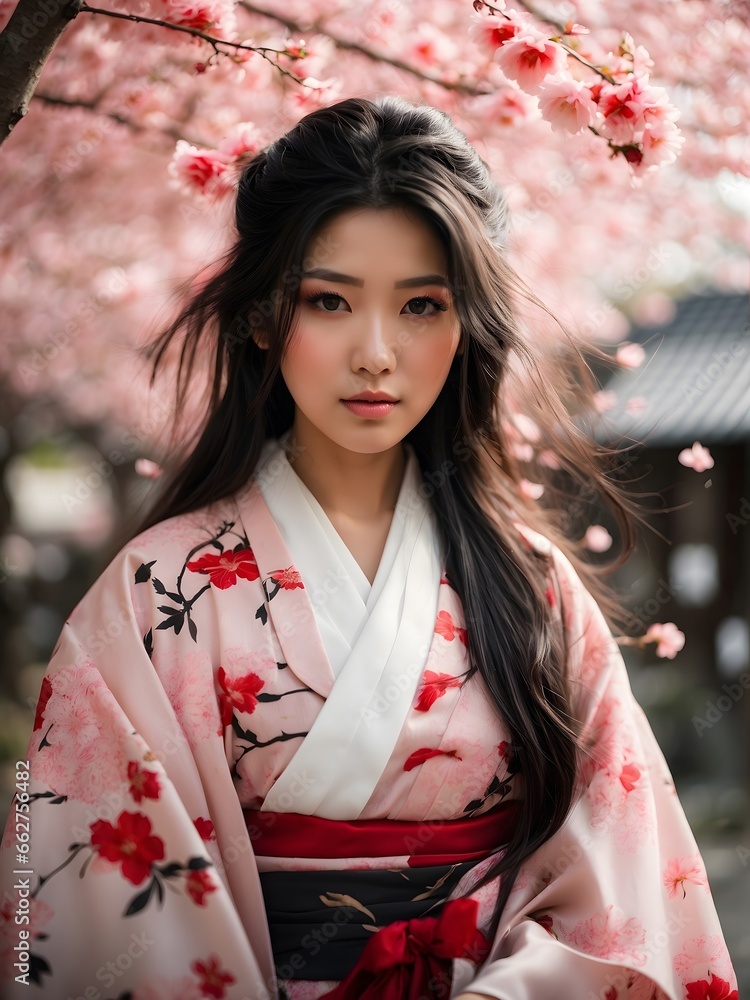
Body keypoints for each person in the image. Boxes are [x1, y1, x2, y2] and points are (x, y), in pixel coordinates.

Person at [0, 95, 737, 1000]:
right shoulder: (160, 590)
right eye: (330, 301)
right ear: (264, 318)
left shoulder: (533, 589)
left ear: (468, 323)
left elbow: (625, 878)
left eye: (422, 305)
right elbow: (87, 885)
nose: (378, 353)